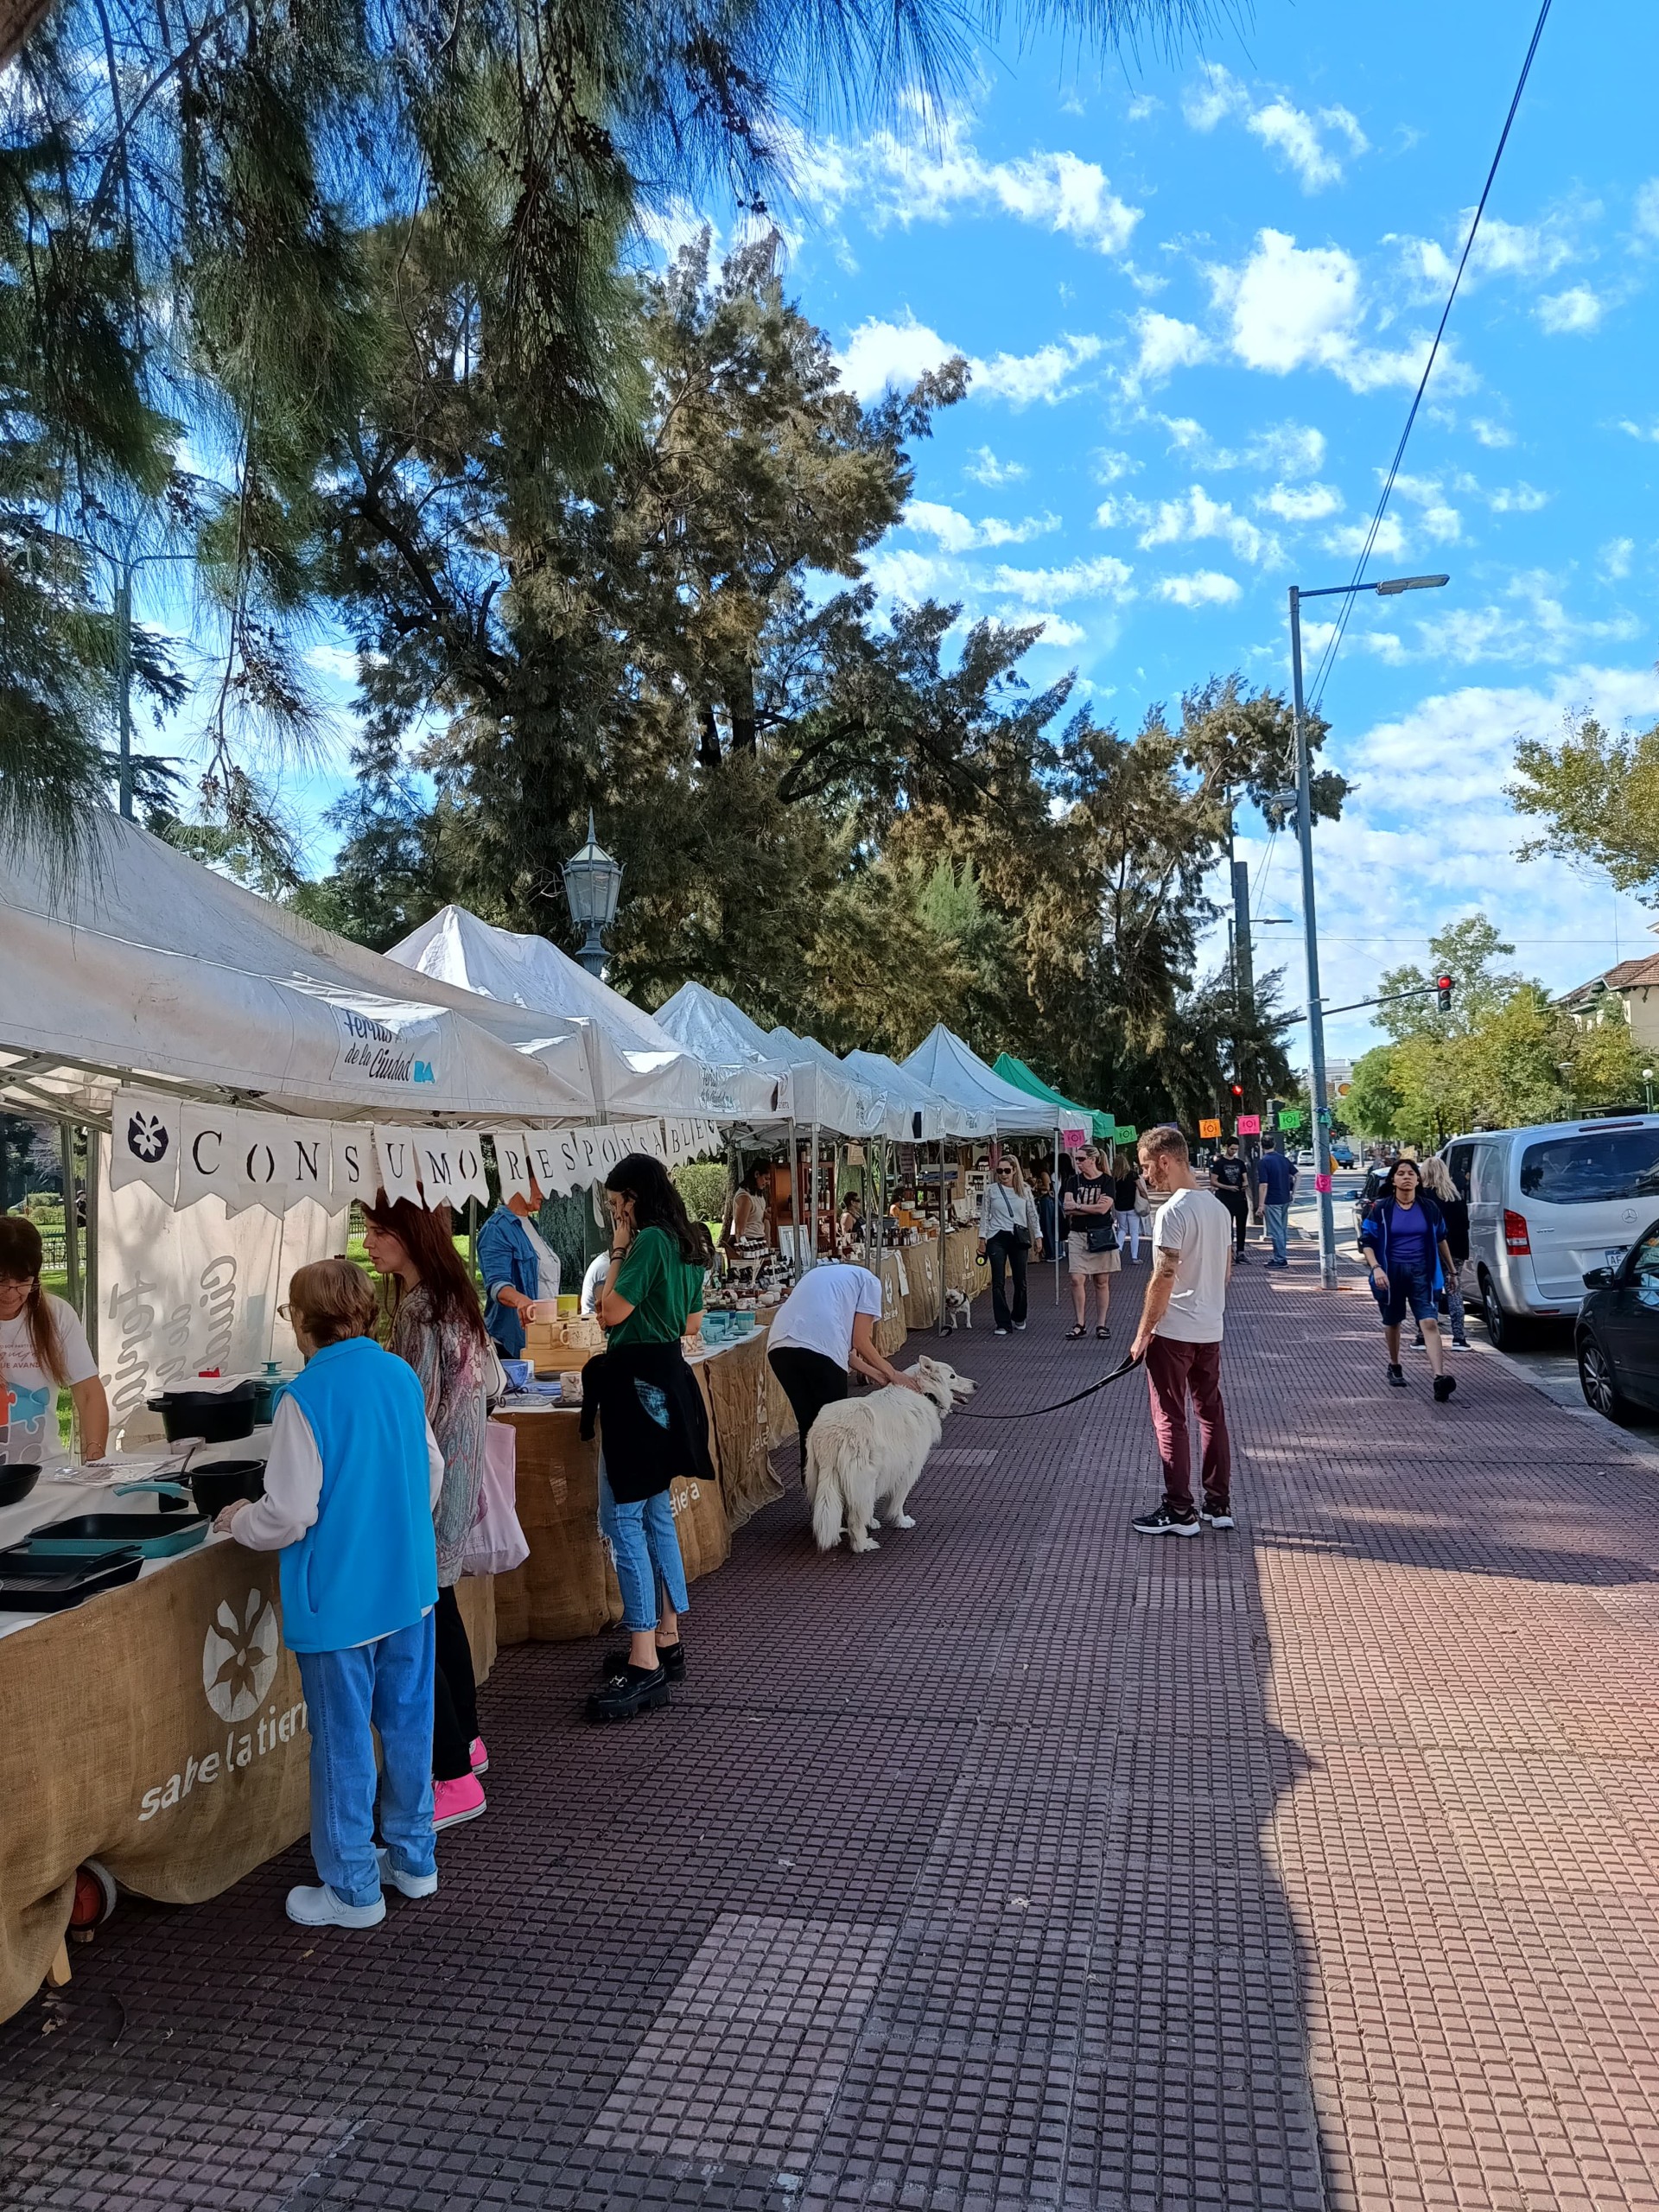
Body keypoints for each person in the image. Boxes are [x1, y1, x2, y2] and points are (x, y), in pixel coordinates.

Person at [217, 1259, 442, 1928]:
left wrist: (236, 1521)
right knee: (407, 1727)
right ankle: (413, 1858)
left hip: (339, 1603)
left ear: (301, 1322)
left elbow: (287, 1513)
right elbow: (429, 1466)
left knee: (342, 1742)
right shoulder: (398, 1374)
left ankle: (351, 1886)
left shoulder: (303, 1399)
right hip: (408, 1589)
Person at [362, 1195, 491, 1830]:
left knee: (424, 1629)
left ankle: (453, 1776)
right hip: (457, 1478)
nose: (368, 1243)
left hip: (431, 1486)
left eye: (378, 1232)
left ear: (409, 1237)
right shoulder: (449, 1297)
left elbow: (411, 1413)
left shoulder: (418, 1310)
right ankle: (466, 1742)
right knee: (443, 1610)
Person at [585, 1153, 715, 1721]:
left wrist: (617, 1250)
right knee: (655, 1512)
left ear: (633, 1199)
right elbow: (691, 1325)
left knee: (624, 1518)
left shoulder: (649, 1243)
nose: (616, 1216)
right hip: (666, 1377)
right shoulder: (686, 1242)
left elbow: (608, 1312)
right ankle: (666, 1634)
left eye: (617, 1206)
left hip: (637, 1383)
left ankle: (644, 1660)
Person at [1129, 1125, 1235, 1538]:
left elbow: (1163, 1275)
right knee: (1211, 1414)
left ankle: (1179, 1509)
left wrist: (1143, 1332)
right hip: (1210, 1327)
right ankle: (1218, 1503)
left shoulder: (1172, 1211)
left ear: (1165, 1160)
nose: (1146, 1176)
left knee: (1170, 1418)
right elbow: (1225, 1272)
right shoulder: (1219, 1209)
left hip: (1174, 1331)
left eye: (1146, 1167)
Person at [767, 1257, 923, 1454]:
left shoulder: (822, 1276)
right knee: (835, 1427)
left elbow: (840, 1350)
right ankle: (834, 1483)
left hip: (780, 1344)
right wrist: (893, 1374)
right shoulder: (871, 1282)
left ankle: (812, 1483)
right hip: (819, 1350)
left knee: (809, 1424)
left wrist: (878, 1375)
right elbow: (860, 1341)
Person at [0, 1215, 108, 1467]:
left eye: (23, 1282)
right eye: (1, 1281)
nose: (11, 1293)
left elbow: (88, 1392)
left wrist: (95, 1454)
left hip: (45, 1470)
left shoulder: (57, 1314)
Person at [1360, 1158, 1458, 1400]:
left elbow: (1441, 1238)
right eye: (1401, 1173)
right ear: (1393, 1180)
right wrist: (1376, 1268)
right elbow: (1367, 1242)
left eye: (1411, 1173)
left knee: (1429, 1323)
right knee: (1392, 1321)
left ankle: (1439, 1378)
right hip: (1390, 1273)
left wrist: (1451, 1271)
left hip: (1422, 1273)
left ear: (1418, 1179)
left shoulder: (1429, 1208)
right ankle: (1394, 1365)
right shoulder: (1381, 1208)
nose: (1406, 1177)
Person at [477, 1179, 560, 1358]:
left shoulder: (532, 1225)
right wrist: (520, 1300)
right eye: (538, 1182)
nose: (544, 1192)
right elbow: (497, 1284)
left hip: (542, 1339)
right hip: (513, 1344)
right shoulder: (496, 1229)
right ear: (519, 1181)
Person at [977, 1157, 1043, 1335]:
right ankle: (1002, 1322)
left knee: (1020, 1280)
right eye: (999, 1171)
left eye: (1007, 1170)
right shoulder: (991, 1190)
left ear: (1014, 1170)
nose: (1003, 1175)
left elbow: (1032, 1214)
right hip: (997, 1236)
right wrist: (982, 1238)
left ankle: (1019, 1316)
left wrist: (1038, 1236)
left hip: (1018, 1237)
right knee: (998, 1281)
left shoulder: (1025, 1190)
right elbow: (984, 1215)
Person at [1064, 1145, 1118, 1340]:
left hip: (1101, 1234)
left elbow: (1103, 1209)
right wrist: (1088, 1208)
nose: (1077, 1163)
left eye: (1080, 1159)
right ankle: (1080, 1323)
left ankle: (1102, 1324)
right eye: (1076, 1159)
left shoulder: (1107, 1181)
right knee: (1076, 1278)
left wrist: (1079, 1206)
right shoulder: (1072, 1181)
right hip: (1078, 1234)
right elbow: (1067, 1208)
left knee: (1101, 1281)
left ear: (1092, 1160)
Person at [1415, 1155, 1471, 1348]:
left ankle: (1424, 1336)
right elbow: (1464, 1225)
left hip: (1428, 1250)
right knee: (1454, 1290)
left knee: (1428, 1291)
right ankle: (1459, 1338)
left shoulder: (1421, 1197)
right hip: (1455, 1250)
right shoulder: (1454, 1196)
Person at [1255, 1139, 1297, 1268]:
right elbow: (1298, 1175)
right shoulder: (1284, 1159)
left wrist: (1261, 1205)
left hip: (1272, 1200)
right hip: (1284, 1199)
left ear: (1262, 1146)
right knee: (1282, 1229)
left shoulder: (1263, 1162)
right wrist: (1293, 1193)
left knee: (1276, 1230)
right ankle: (1280, 1256)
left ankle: (1280, 1259)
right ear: (1274, 1145)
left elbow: (1263, 1185)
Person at [1209, 1139, 1251, 1262]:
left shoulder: (1240, 1163)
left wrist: (1244, 1184)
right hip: (1225, 1198)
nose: (1234, 1151)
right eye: (1232, 1149)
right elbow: (1213, 1181)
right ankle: (1229, 1253)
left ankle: (1241, 1252)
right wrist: (1228, 1187)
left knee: (1241, 1227)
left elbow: (1245, 1179)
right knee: (1227, 1228)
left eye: (1236, 1149)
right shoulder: (1219, 1163)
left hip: (1240, 1198)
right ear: (1227, 1147)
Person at [1112, 1150, 1145, 1265]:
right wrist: (1146, 1199)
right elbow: (1141, 1189)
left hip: (1119, 1207)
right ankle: (1134, 1257)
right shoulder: (1132, 1174)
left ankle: (1118, 1250)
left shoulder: (1114, 1177)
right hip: (1132, 1206)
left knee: (1122, 1229)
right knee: (1134, 1232)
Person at [722, 1166, 769, 1246]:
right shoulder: (744, 1197)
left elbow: (756, 1214)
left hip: (758, 1239)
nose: (768, 1183)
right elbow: (739, 1231)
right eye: (766, 1178)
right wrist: (744, 1248)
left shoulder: (758, 1194)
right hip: (748, 1240)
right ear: (757, 1174)